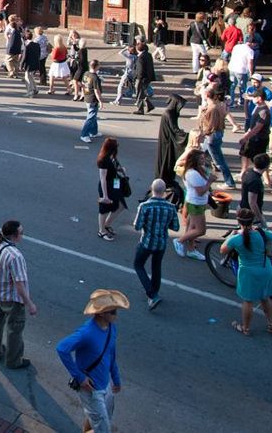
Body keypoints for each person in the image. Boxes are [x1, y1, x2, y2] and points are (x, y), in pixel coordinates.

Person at [57, 289, 127, 433]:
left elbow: (111, 354)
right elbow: (62, 349)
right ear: (101, 313)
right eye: (113, 312)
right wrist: (80, 377)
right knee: (103, 429)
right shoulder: (86, 333)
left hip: (105, 385)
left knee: (98, 419)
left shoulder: (111, 328)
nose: (116, 315)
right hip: (91, 390)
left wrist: (116, 379)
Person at [220, 208, 272, 336]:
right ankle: (271, 324)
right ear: (253, 221)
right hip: (265, 269)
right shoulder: (260, 232)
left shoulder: (236, 238)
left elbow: (222, 250)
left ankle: (246, 328)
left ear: (238, 221)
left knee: (248, 301)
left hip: (248, 272)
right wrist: (265, 231)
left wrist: (231, 235)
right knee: (265, 298)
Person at [0, 220, 37, 369]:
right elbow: (19, 284)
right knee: (15, 330)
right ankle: (14, 361)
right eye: (21, 233)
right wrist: (29, 304)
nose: (23, 235)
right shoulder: (15, 256)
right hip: (12, 299)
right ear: (14, 236)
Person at [133, 180, 178, 310]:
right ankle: (154, 294)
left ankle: (152, 294)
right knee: (156, 267)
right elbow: (175, 227)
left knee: (138, 265)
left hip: (147, 242)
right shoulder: (171, 207)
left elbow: (137, 226)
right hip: (161, 242)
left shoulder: (144, 206)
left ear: (151, 189)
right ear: (164, 191)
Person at [173, 149, 211, 261]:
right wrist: (210, 182)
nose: (204, 160)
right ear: (195, 160)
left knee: (192, 227)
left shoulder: (198, 170)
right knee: (200, 230)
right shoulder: (192, 173)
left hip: (197, 202)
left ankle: (191, 250)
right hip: (196, 204)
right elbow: (200, 191)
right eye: (201, 158)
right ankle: (179, 241)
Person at [241, 153, 271, 225]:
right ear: (267, 167)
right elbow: (252, 203)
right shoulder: (255, 181)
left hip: (243, 209)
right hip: (250, 214)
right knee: (263, 230)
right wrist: (259, 218)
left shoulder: (248, 172)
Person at [80, 59, 103, 143]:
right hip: (92, 99)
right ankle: (84, 134)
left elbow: (82, 84)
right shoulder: (95, 77)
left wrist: (83, 94)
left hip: (87, 96)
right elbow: (97, 91)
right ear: (96, 67)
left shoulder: (86, 74)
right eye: (99, 65)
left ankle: (93, 132)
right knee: (91, 117)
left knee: (93, 116)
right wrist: (100, 101)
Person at [132, 41, 156, 115]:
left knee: (139, 93)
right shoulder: (148, 55)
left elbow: (140, 70)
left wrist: (137, 78)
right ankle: (150, 105)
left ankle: (140, 109)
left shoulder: (141, 57)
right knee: (142, 93)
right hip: (148, 78)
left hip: (141, 78)